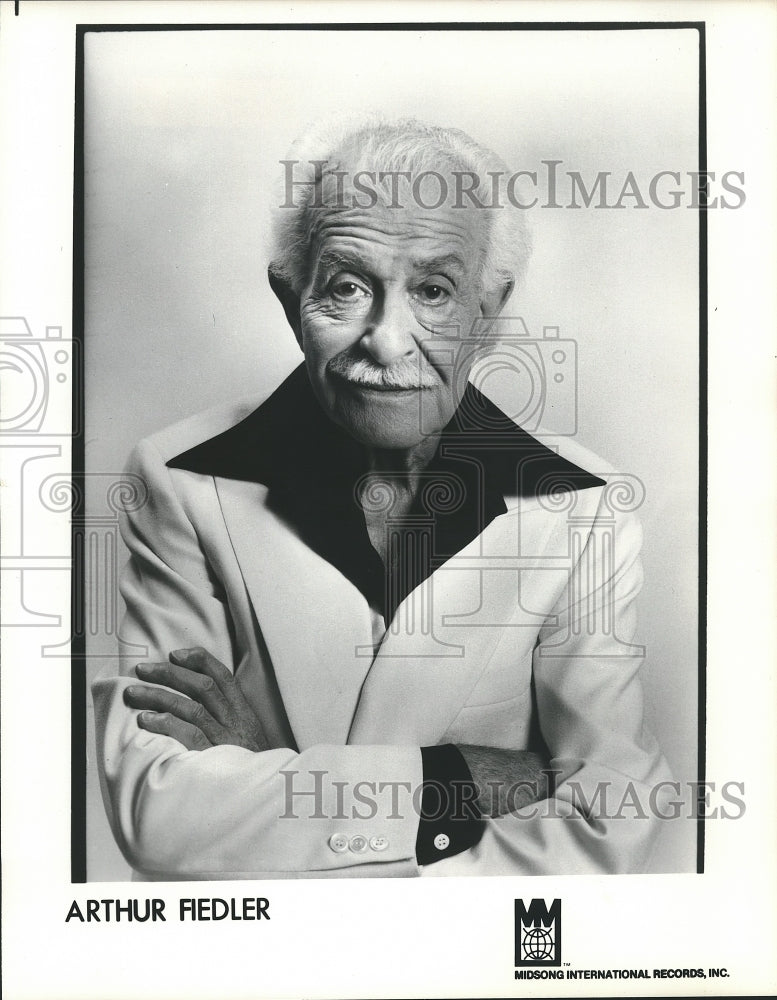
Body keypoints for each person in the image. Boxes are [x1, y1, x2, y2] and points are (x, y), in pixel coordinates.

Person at [92, 118, 671, 879]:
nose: (387, 341)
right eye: (346, 287)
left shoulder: (584, 511)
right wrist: (458, 779)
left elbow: (609, 823)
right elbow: (161, 814)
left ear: (487, 313)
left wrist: (279, 782)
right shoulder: (177, 478)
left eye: (433, 290)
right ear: (288, 297)